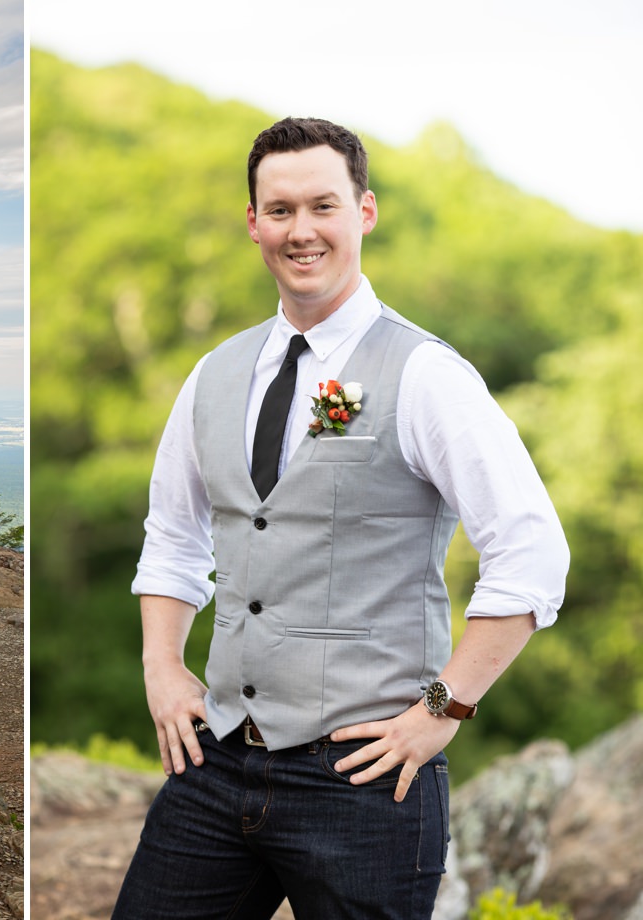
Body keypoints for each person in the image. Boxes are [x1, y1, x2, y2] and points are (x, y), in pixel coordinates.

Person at [114, 117, 568, 918]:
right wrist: (161, 665)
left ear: (364, 211)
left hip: (365, 782)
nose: (301, 230)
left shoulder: (426, 374)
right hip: (215, 766)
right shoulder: (213, 376)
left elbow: (530, 554)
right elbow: (173, 536)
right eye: (279, 210)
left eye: (322, 205)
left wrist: (445, 708)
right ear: (253, 222)